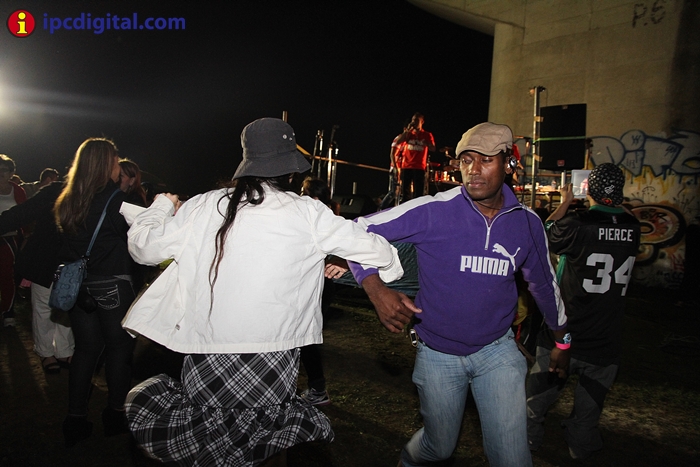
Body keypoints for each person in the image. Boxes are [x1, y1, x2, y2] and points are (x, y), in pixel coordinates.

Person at [120, 118, 404, 466]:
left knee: (210, 441)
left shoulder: (204, 205)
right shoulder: (308, 212)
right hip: (274, 354)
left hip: (207, 349)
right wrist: (364, 265)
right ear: (291, 170)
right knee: (268, 439)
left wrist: (162, 206)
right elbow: (380, 252)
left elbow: (144, 248)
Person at [348, 122, 570, 467]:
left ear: (509, 164)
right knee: (439, 448)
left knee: (513, 460)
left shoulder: (527, 223)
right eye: (467, 160)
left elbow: (544, 285)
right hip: (438, 354)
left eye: (486, 159)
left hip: (498, 352)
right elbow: (357, 230)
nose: (473, 170)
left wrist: (562, 341)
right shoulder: (434, 210)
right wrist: (376, 290)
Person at [526, 163, 641, 460]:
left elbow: (545, 232)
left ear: (588, 189)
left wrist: (566, 202)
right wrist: (614, 202)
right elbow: (622, 216)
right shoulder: (633, 227)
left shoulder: (578, 224)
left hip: (567, 332)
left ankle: (527, 440)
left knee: (536, 399)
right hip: (606, 335)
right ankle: (580, 445)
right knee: (590, 408)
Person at [54, 138, 137, 447]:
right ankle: (115, 416)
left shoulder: (68, 199)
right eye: (115, 160)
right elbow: (136, 238)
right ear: (105, 164)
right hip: (111, 283)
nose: (118, 165)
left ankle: (75, 420)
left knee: (86, 350)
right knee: (119, 350)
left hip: (79, 286)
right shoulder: (115, 200)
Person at [0, 177, 74, 372]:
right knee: (44, 306)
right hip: (45, 257)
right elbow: (21, 213)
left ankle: (65, 350)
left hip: (70, 260)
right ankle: (46, 351)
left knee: (66, 305)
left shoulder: (91, 192)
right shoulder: (54, 191)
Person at [298, 177, 345, 406]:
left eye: (303, 192)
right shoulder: (327, 215)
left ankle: (317, 389)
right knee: (305, 337)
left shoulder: (318, 217)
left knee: (304, 337)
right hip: (320, 285)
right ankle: (315, 387)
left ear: (313, 197)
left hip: (314, 284)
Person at [0, 155, 27, 327]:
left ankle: (8, 311)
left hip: (9, 239)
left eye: (3, 170)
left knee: (6, 275)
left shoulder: (17, 191)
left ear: (11, 173)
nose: (0, 173)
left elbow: (25, 215)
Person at [391, 113, 436, 203]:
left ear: (422, 122)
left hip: (419, 167)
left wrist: (427, 143)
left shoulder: (427, 135)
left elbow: (433, 148)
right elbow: (398, 142)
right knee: (405, 193)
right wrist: (407, 131)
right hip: (406, 166)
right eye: (413, 120)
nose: (414, 122)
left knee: (418, 194)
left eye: (416, 120)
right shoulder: (408, 134)